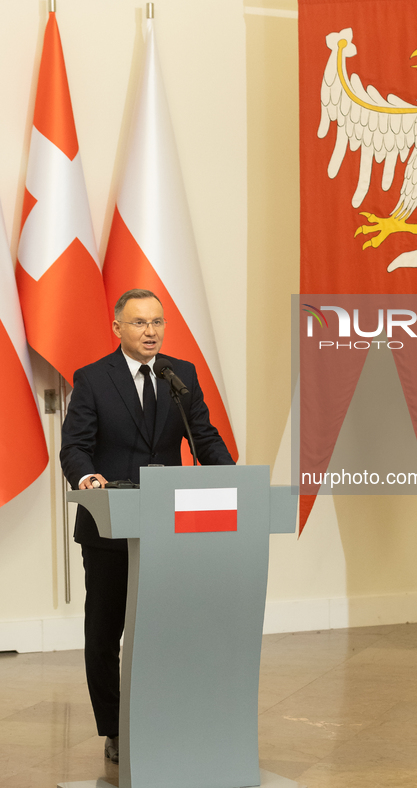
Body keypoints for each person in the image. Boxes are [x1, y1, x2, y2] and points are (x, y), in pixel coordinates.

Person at [60, 289, 234, 764]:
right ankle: (116, 728)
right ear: (117, 327)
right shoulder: (94, 379)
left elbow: (204, 435)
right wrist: (86, 476)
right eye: (139, 323)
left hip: (169, 525)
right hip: (111, 525)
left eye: (157, 322)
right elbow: (74, 445)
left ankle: (165, 715)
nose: (151, 331)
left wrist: (235, 481)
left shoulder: (181, 375)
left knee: (165, 628)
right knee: (104, 631)